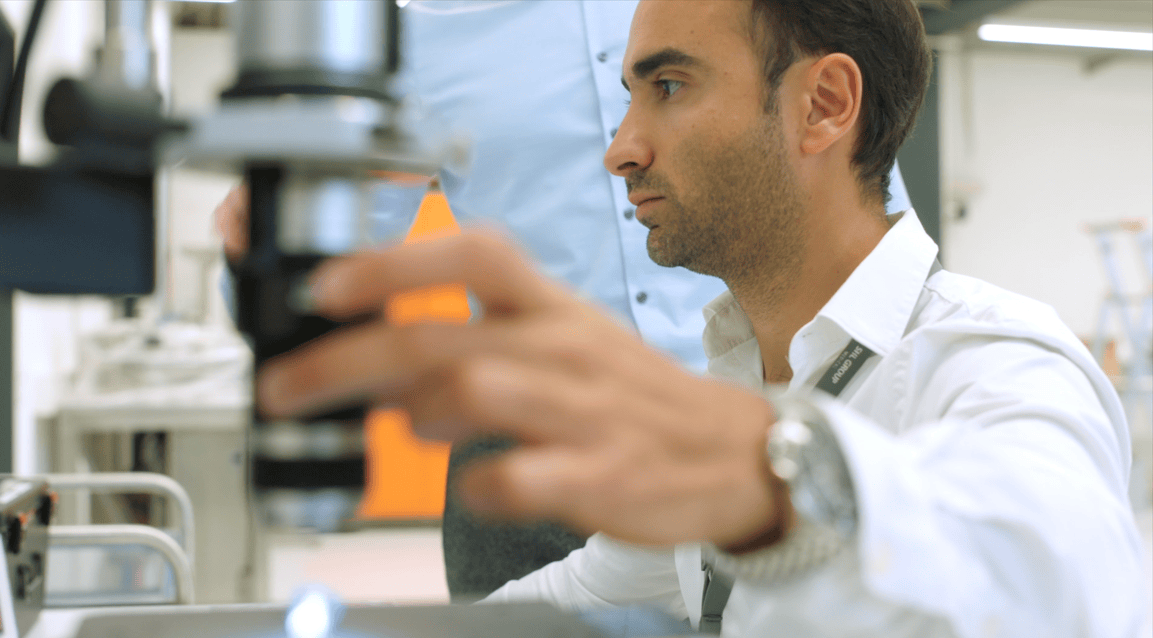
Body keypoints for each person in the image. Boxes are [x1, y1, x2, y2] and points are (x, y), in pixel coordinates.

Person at [253, 0, 1147, 635]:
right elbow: (560, 604)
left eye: (669, 88)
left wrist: (777, 479)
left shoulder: (992, 357)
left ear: (823, 105)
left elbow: (1067, 580)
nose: (620, 148)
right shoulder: (748, 383)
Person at [215, 0, 915, 600]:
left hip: (765, 402)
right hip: (529, 437)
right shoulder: (420, 38)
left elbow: (858, 192)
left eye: (668, 87)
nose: (624, 150)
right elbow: (330, 265)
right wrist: (270, 243)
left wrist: (901, 365)